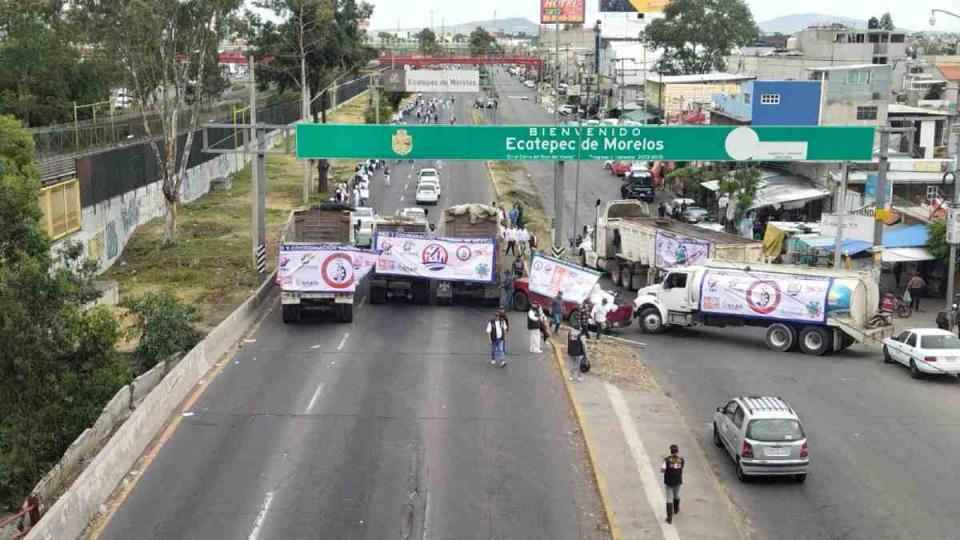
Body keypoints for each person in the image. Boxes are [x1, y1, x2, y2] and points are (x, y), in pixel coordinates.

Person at [661, 444, 685, 524]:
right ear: (677, 451)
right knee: (676, 495)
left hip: (669, 482)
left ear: (670, 451)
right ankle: (676, 509)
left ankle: (669, 518)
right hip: (678, 482)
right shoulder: (682, 460)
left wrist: (664, 461)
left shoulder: (667, 460)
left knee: (669, 498)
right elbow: (681, 468)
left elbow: (662, 470)